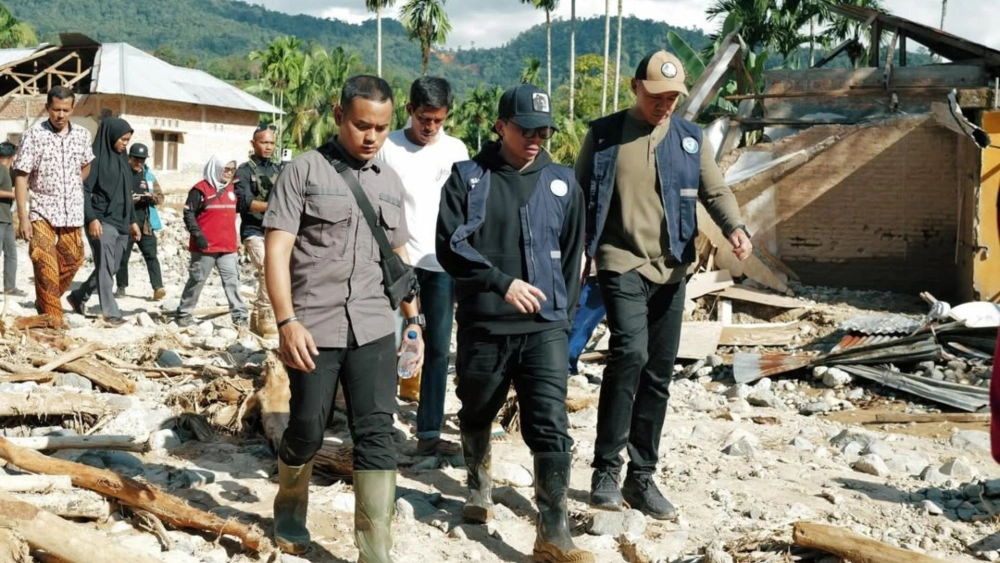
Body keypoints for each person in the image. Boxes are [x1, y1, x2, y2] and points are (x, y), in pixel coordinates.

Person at [576, 50, 753, 520]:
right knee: (629, 355)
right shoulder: (605, 134)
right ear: (636, 87)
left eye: (673, 98)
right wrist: (571, 254)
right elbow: (577, 195)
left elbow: (715, 190)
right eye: (656, 96)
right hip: (620, 260)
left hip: (672, 268)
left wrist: (735, 227)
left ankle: (641, 477)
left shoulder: (690, 140)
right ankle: (605, 471)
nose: (664, 105)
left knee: (657, 373)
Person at [263, 75, 424, 559]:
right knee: (307, 428)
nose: (371, 136)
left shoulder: (390, 182)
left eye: (381, 127)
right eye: (361, 125)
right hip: (313, 325)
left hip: (373, 325)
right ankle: (290, 509)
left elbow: (397, 255)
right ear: (339, 116)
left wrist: (413, 323)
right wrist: (286, 322)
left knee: (377, 434)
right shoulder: (304, 171)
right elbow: (277, 251)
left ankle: (375, 552)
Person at [437, 83, 593, 563]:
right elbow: (449, 246)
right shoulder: (468, 179)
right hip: (486, 323)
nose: (535, 139)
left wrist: (563, 319)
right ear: (500, 126)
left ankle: (553, 529)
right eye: (526, 130)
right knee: (477, 408)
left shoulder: (562, 182)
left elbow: (574, 255)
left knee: (550, 424)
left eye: (543, 131)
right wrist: (500, 283)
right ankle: (478, 483)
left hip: (544, 327)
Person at [377, 76, 469, 457]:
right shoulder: (388, 148)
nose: (430, 127)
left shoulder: (456, 150)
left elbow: (466, 206)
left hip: (441, 265)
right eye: (423, 119)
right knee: (386, 345)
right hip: (396, 262)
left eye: (438, 120)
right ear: (409, 110)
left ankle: (429, 430)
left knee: (437, 348)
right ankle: (379, 426)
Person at [12, 86, 95, 324]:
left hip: (72, 211)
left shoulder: (82, 135)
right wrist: (23, 217)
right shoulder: (33, 135)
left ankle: (45, 300)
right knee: (43, 259)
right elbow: (21, 176)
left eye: (65, 110)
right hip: (42, 210)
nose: (60, 115)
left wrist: (72, 184)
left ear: (72, 109)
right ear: (48, 107)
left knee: (74, 258)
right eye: (56, 109)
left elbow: (86, 164)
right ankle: (53, 321)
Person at [67, 117, 141, 326]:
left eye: (127, 140)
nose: (125, 144)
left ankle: (78, 296)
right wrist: (91, 219)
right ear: (110, 136)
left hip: (121, 222)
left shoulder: (123, 160)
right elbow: (83, 190)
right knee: (106, 266)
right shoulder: (94, 160)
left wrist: (133, 221)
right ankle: (110, 313)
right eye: (122, 139)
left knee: (112, 266)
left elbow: (127, 193)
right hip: (101, 221)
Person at [175, 155, 248, 328]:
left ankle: (240, 317)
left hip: (227, 246)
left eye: (232, 170)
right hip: (205, 247)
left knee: (232, 281)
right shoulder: (200, 189)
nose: (229, 173)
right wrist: (197, 234)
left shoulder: (232, 190)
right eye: (226, 169)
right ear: (216, 168)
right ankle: (184, 313)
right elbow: (188, 213)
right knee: (197, 280)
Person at [235, 123, 284, 338]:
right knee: (266, 268)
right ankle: (265, 315)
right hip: (253, 230)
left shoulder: (278, 170)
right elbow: (244, 203)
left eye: (271, 143)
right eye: (264, 142)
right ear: (253, 143)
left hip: (275, 229)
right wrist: (275, 205)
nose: (268, 147)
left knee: (278, 270)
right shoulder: (244, 171)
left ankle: (256, 318)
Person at [114, 143, 165, 300]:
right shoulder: (121, 174)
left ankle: (158, 287)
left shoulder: (148, 177)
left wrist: (150, 197)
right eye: (136, 160)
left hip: (145, 225)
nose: (139, 163)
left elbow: (160, 198)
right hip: (126, 224)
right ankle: (121, 286)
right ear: (130, 158)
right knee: (122, 257)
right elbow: (114, 197)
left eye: (142, 160)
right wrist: (129, 199)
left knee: (151, 256)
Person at [567, 270, 605, 380]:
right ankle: (566, 366)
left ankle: (567, 366)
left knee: (583, 326)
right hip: (597, 277)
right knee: (580, 325)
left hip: (604, 276)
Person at [0, 143, 24, 297]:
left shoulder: (7, 171)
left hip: (6, 218)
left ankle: (10, 287)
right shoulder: (1, 169)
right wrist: (13, 195)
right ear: (12, 156)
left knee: (11, 254)